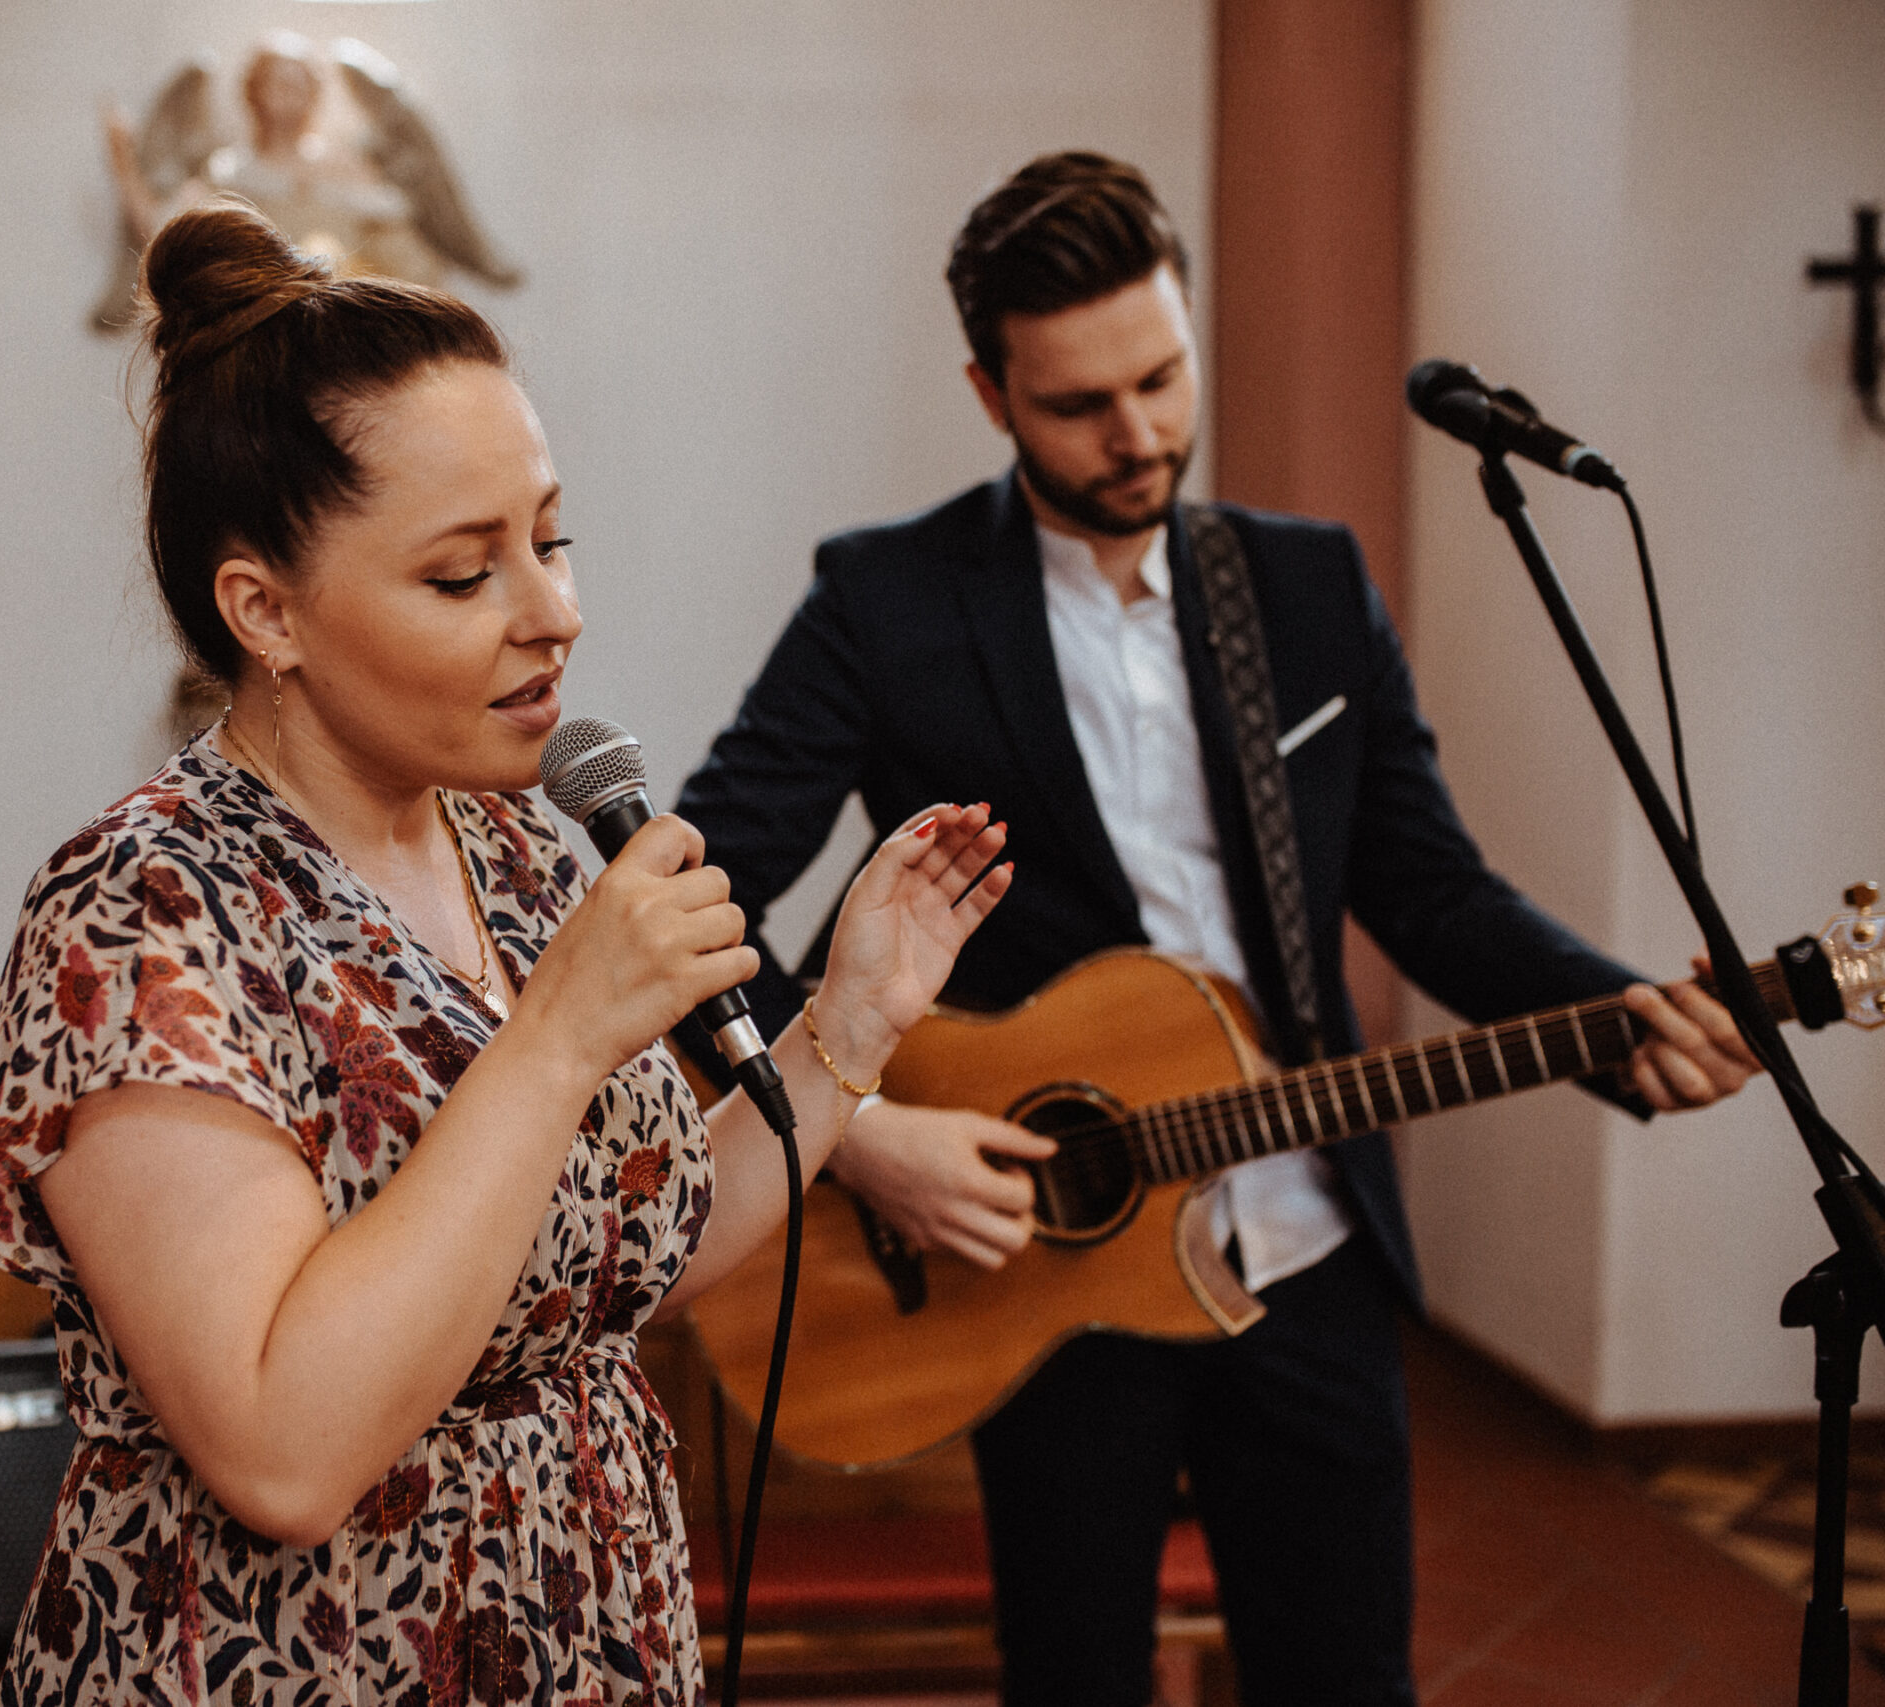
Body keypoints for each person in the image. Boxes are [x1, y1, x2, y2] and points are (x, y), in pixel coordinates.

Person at [671, 152, 1759, 1706]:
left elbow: (1433, 891)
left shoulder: (1304, 590)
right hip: (1042, 1270)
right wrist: (857, 1135)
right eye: (1080, 406)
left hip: (1310, 1250)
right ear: (992, 395)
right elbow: (689, 900)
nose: (1141, 436)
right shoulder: (886, 605)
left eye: (1164, 378)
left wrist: (1628, 1019)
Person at [0, 199, 1017, 1707]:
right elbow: (281, 1449)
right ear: (266, 610)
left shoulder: (510, 849)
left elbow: (610, 1267)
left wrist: (844, 1035)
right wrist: (560, 1036)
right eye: (466, 576)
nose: (557, 614)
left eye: (551, 539)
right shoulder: (143, 910)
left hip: (589, 1630)